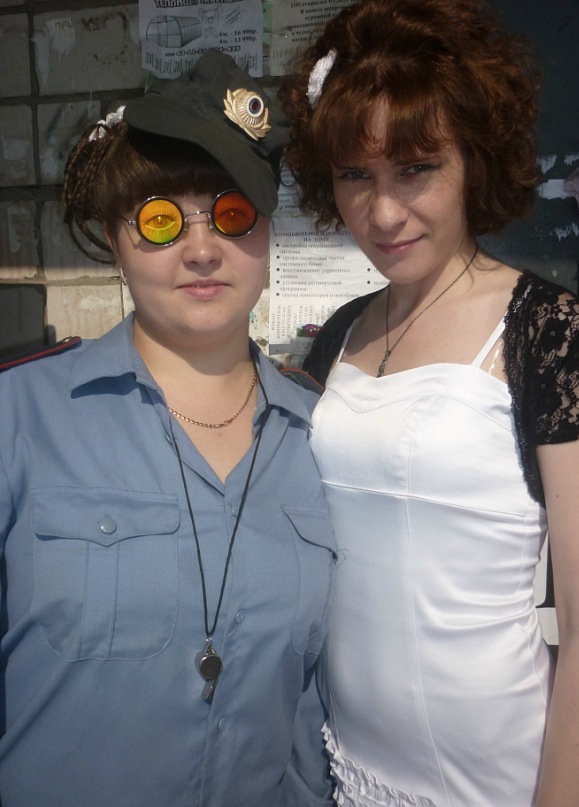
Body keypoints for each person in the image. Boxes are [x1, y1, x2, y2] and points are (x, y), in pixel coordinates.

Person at [279, 1, 579, 805]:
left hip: (499, 776)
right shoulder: (342, 331)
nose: (383, 212)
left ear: (473, 161)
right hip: (344, 765)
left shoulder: (547, 331)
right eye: (355, 175)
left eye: (415, 168)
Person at [0, 50, 336, 806]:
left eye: (233, 213)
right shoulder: (19, 419)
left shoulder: (323, 438)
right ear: (115, 239)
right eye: (159, 220)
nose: (202, 249)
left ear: (267, 232)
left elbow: (319, 703)